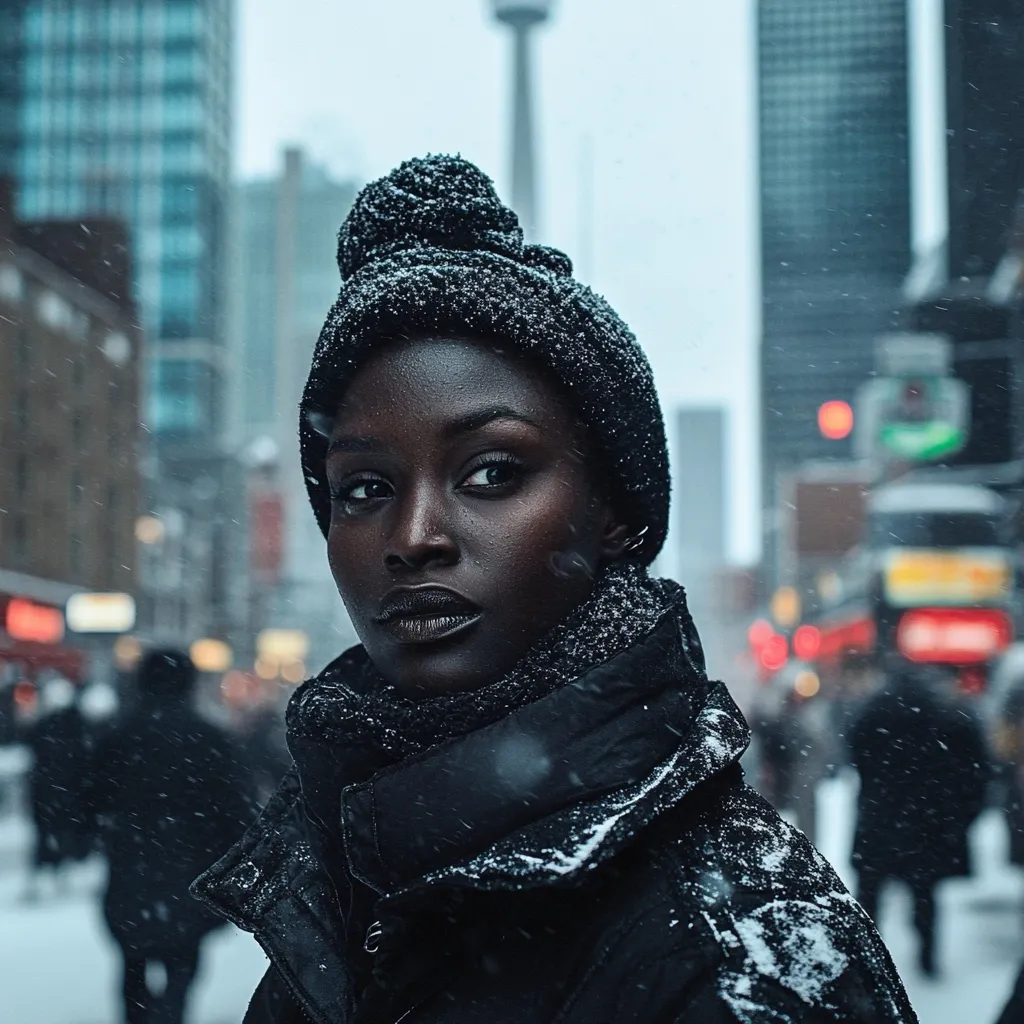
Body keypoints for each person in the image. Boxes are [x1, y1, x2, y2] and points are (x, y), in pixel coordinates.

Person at [194, 155, 916, 1023]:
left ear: (612, 512)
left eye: (492, 472)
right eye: (364, 489)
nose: (413, 535)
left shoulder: (736, 952)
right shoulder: (347, 869)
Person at [89, 649, 256, 1024]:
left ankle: (139, 1015)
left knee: (132, 961)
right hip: (190, 867)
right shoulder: (211, 738)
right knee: (183, 962)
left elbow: (88, 797)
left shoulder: (118, 735)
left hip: (131, 866)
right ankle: (170, 1014)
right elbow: (236, 806)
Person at [850, 662, 989, 979]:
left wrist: (877, 787)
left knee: (870, 895)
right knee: (925, 894)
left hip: (879, 817)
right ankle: (927, 957)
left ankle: (863, 960)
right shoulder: (947, 713)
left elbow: (856, 751)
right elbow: (974, 769)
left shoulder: (876, 709)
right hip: (924, 820)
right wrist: (960, 814)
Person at [23, 675, 91, 898]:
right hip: (59, 791)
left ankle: (50, 876)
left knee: (50, 834)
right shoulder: (75, 725)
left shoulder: (49, 726)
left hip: (50, 790)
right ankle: (57, 875)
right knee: (59, 833)